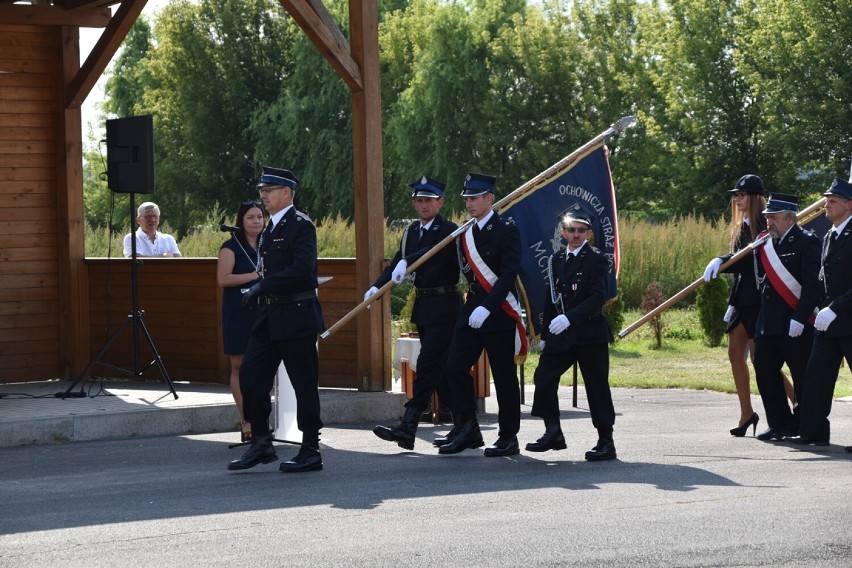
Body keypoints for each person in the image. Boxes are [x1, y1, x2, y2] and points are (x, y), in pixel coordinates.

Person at [227, 166, 325, 473]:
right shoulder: (270, 229)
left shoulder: (301, 226)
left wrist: (262, 285)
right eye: (262, 191)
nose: (263, 197)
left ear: (286, 193)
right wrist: (262, 290)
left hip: (296, 316)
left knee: (303, 383)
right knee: (250, 376)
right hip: (270, 316)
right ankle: (261, 442)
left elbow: (302, 270)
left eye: (268, 191)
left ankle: (310, 449)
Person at [368, 177, 462, 450]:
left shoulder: (449, 230)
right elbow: (398, 262)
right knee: (441, 372)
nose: (424, 205)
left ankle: (409, 425)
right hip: (424, 307)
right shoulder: (411, 232)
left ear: (440, 202)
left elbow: (431, 254)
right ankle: (466, 425)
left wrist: (408, 261)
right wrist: (376, 288)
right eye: (420, 200)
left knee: (429, 365)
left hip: (444, 306)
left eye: (429, 200)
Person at [437, 172, 526, 457]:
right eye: (467, 199)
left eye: (474, 198)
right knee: (453, 366)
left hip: (497, 309)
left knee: (503, 375)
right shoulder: (465, 232)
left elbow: (509, 273)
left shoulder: (506, 230)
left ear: (490, 199)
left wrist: (489, 307)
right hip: (472, 306)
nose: (469, 203)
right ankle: (468, 428)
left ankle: (508, 436)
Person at [703, 174, 794, 437]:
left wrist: (722, 261)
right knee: (735, 354)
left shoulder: (762, 224)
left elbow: (749, 261)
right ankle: (746, 413)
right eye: (735, 195)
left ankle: (796, 401)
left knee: (761, 360)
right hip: (743, 299)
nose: (737, 199)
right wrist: (732, 300)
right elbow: (742, 268)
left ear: (754, 197)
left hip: (758, 300)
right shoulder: (741, 225)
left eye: (742, 195)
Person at [526, 214, 617, 460]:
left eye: (581, 230)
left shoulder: (597, 259)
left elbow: (598, 297)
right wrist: (544, 334)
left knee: (596, 386)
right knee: (543, 376)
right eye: (571, 229)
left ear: (588, 232)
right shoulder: (556, 259)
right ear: (563, 231)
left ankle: (606, 440)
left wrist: (570, 317)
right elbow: (552, 297)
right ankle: (553, 430)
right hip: (562, 334)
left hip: (589, 332)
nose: (576, 234)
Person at [749, 194, 821, 441]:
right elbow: (744, 262)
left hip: (795, 324)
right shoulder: (765, 242)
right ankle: (779, 423)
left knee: (801, 376)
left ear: (790, 218)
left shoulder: (806, 242)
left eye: (774, 217)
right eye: (767, 216)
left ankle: (801, 425)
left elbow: (813, 286)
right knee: (765, 370)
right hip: (768, 323)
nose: (768, 221)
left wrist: (800, 317)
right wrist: (721, 261)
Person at [788, 178, 852, 448]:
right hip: (826, 324)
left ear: (849, 205)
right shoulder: (829, 235)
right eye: (827, 199)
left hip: (848, 320)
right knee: (816, 378)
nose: (827, 203)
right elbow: (822, 281)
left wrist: (835, 308)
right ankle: (814, 432)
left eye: (833, 200)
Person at [216, 200, 265, 442]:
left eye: (259, 217)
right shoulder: (230, 247)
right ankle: (246, 421)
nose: (256, 221)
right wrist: (255, 276)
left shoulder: (267, 245)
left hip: (263, 311)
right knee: (240, 367)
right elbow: (223, 279)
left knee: (261, 369)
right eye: (251, 218)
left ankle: (260, 420)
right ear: (241, 222)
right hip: (239, 311)